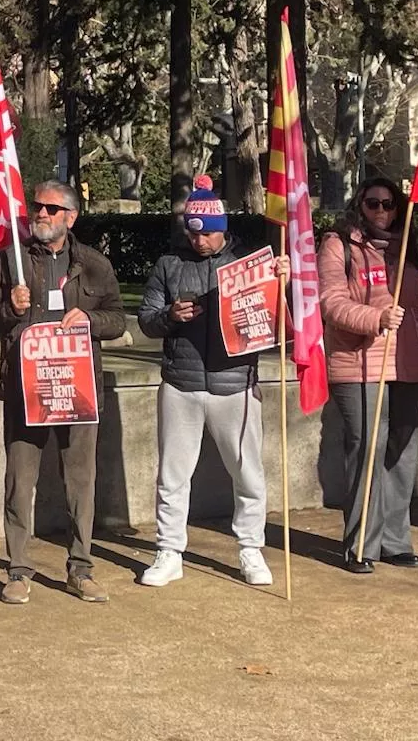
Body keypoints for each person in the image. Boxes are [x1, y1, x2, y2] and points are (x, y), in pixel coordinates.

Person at [135, 175, 284, 588]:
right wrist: (169, 317)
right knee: (172, 475)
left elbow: (279, 320)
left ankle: (251, 549)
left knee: (248, 472)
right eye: (194, 233)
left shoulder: (250, 263)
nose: (200, 241)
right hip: (181, 383)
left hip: (235, 383)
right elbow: (147, 320)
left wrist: (281, 280)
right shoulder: (169, 265)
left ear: (222, 230)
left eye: (209, 234)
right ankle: (169, 551)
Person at [0, 179, 125, 604]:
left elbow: (117, 318)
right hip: (27, 390)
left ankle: (80, 567)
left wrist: (91, 321)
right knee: (18, 482)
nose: (40, 215)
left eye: (50, 209)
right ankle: (18, 570)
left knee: (80, 482)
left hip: (78, 391)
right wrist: (12, 308)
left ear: (70, 217)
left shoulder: (95, 264)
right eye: (36, 208)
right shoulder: (11, 261)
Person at [317, 175, 418, 573]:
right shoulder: (338, 245)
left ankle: (394, 540)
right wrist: (376, 318)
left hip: (407, 363)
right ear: (360, 204)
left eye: (390, 204)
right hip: (360, 365)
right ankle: (361, 545)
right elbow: (330, 301)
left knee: (402, 456)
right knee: (367, 451)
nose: (382, 212)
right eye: (373, 203)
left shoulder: (408, 250)